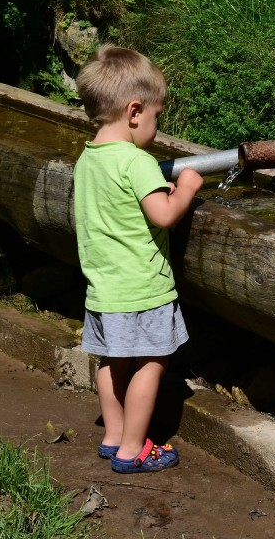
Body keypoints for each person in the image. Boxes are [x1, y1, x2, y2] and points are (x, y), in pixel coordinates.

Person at [72, 44, 204, 473]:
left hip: (103, 287)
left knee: (113, 362)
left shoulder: (88, 159)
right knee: (152, 363)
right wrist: (185, 186)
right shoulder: (137, 162)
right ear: (134, 111)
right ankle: (134, 450)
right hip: (143, 289)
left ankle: (113, 435)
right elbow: (163, 215)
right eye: (155, 117)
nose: (156, 127)